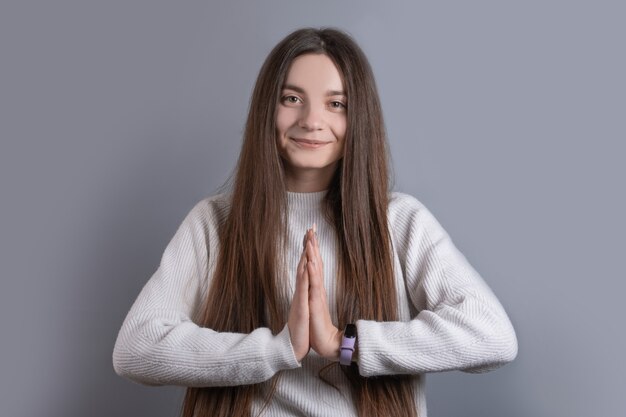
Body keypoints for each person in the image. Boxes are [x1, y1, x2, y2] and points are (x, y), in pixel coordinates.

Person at [112, 27, 518, 417]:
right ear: (266, 109)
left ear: (359, 118)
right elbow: (135, 347)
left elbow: (492, 336)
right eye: (292, 98)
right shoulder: (214, 223)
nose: (311, 119)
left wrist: (345, 343)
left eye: (336, 103)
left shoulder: (398, 221)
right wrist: (277, 349)